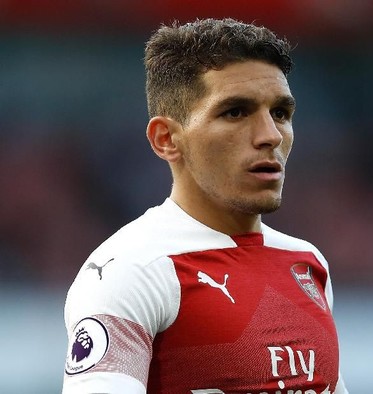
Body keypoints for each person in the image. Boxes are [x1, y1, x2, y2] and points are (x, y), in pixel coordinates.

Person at [62, 18, 348, 394]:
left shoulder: (306, 263)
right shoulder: (133, 271)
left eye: (280, 113)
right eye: (235, 112)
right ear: (166, 139)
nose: (271, 136)